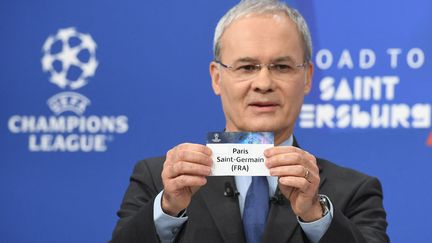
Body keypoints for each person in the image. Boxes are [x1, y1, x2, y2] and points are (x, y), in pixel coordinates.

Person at [111, 0, 389, 242]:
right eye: (247, 67)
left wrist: (316, 216)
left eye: (281, 66)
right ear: (217, 77)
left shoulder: (355, 191)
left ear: (307, 77)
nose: (264, 83)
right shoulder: (159, 180)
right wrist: (169, 208)